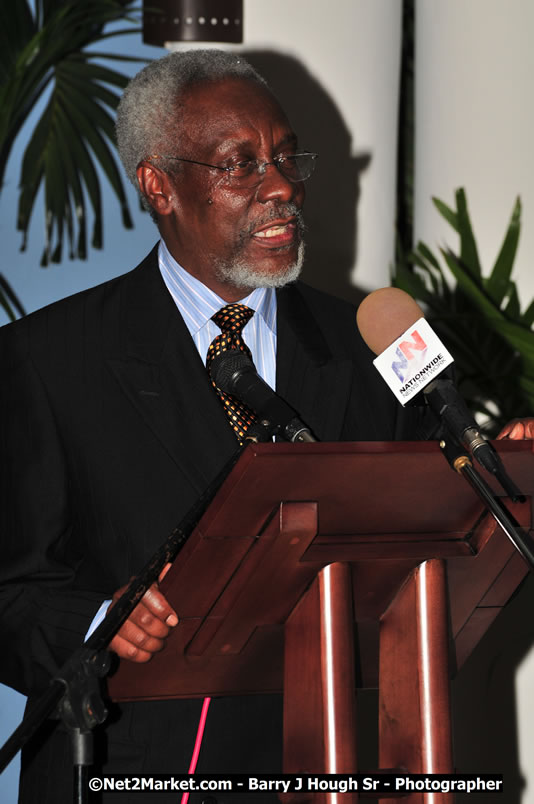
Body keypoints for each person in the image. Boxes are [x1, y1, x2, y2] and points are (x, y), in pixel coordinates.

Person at [0, 50, 531, 803]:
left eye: (285, 158)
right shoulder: (48, 359)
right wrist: (96, 624)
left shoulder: (369, 345)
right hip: (129, 769)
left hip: (328, 769)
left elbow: (426, 549)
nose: (282, 187)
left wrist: (496, 480)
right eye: (238, 165)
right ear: (158, 185)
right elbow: (11, 591)